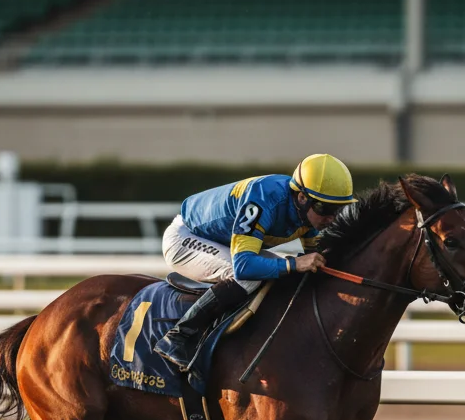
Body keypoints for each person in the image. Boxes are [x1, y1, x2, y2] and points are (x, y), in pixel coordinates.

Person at [152, 153, 358, 370]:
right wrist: (293, 264)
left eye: (338, 209)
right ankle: (177, 337)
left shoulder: (308, 213)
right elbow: (243, 266)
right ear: (302, 198)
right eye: (325, 209)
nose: (331, 218)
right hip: (185, 238)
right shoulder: (263, 199)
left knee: (284, 271)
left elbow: (318, 259)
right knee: (251, 277)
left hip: (223, 243)